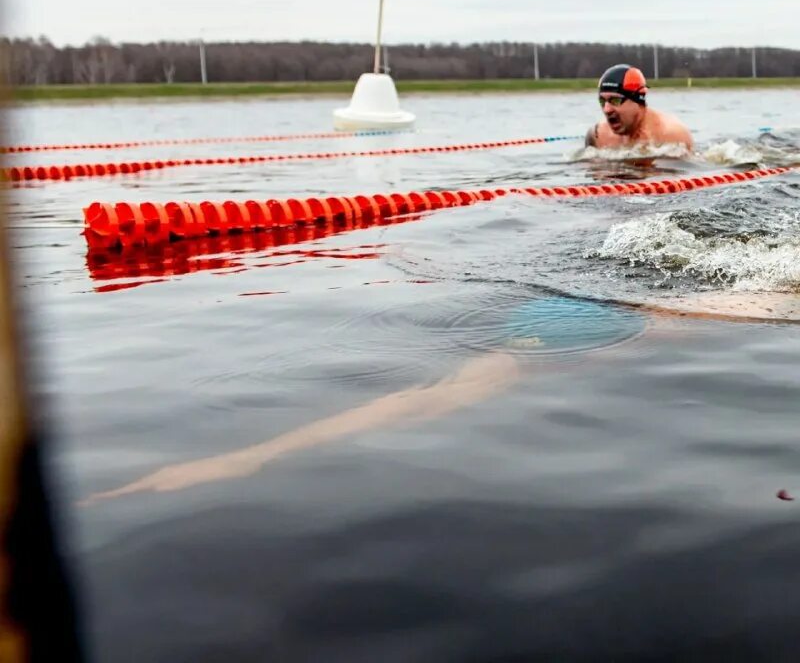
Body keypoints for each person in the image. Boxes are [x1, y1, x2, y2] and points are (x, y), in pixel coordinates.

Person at [82, 290, 800, 504]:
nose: (609, 111)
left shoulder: (707, 311)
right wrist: (252, 456)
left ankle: (247, 458)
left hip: (575, 325)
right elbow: (410, 406)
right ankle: (247, 458)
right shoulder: (701, 315)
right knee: (444, 394)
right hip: (574, 330)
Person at [585, 64, 693, 151]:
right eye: (602, 101)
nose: (606, 109)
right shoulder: (598, 136)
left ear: (638, 102)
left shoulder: (672, 135)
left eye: (615, 100)